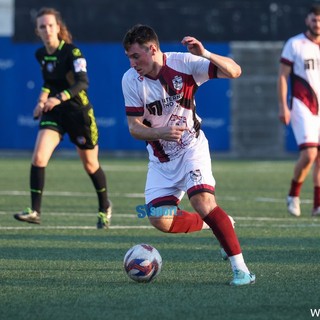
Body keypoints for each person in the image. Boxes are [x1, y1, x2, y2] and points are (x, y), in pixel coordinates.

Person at [121, 24, 255, 286]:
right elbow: (134, 129)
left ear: (153, 49)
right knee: (158, 219)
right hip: (161, 161)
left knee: (203, 202)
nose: (132, 62)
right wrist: (161, 132)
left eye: (136, 56)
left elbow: (235, 71)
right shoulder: (130, 80)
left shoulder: (184, 62)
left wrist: (205, 53)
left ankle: (241, 270)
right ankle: (217, 223)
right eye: (128, 57)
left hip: (192, 148)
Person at [13, 7, 112, 228]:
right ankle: (35, 211)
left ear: (58, 28)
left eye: (50, 25)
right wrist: (41, 101)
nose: (47, 30)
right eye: (42, 27)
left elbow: (82, 82)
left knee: (90, 165)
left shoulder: (72, 52)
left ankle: (104, 206)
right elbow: (49, 82)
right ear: (37, 31)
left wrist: (57, 98)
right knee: (39, 157)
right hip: (55, 113)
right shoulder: (41, 54)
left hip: (78, 113)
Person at [278, 4, 320, 218]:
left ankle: (317, 205)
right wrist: (283, 105)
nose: (317, 23)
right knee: (309, 153)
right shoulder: (295, 44)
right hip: (303, 105)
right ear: (307, 20)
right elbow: (283, 76)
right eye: (314, 19)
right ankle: (293, 195)